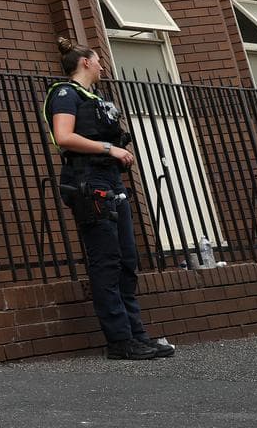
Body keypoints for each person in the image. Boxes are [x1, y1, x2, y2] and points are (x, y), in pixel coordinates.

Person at [43, 37, 175, 360]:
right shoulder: (64, 94)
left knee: (127, 260)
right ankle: (119, 340)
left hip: (111, 180)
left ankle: (136, 335)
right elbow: (63, 137)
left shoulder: (96, 97)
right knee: (106, 263)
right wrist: (109, 148)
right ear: (85, 62)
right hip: (89, 183)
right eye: (98, 59)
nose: (103, 65)